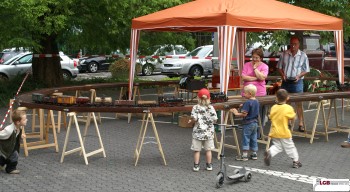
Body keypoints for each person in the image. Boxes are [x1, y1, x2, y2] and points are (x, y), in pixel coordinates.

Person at [277, 36, 310, 132]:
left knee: (299, 103)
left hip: (297, 82)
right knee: (286, 102)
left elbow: (306, 70)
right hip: (286, 81)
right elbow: (279, 67)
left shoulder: (303, 55)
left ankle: (301, 123)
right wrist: (282, 75)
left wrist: (299, 76)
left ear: (298, 45)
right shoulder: (284, 54)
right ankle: (287, 122)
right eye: (291, 44)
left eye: (295, 44)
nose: (293, 46)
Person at [264, 89, 302, 168]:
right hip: (284, 131)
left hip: (274, 131)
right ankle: (296, 161)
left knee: (278, 146)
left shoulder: (273, 107)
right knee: (290, 147)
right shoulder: (288, 108)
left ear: (276, 97)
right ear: (287, 98)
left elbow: (270, 116)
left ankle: (270, 152)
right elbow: (293, 117)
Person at [189, 88, 218, 171]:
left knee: (197, 150)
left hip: (197, 132)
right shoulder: (211, 108)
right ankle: (209, 165)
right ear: (209, 98)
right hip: (208, 133)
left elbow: (194, 118)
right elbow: (215, 119)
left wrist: (191, 120)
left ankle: (196, 166)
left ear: (198, 98)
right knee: (208, 150)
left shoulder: (195, 107)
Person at [230, 84, 260, 161]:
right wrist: (243, 106)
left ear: (249, 93)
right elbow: (252, 109)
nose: (243, 94)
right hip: (255, 123)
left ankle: (244, 155)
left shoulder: (247, 102)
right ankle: (254, 154)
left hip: (248, 123)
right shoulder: (256, 101)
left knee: (245, 138)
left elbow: (244, 114)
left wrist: (236, 113)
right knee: (253, 138)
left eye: (245, 93)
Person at [0, 109, 27, 174]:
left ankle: (4, 166)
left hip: (12, 147)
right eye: (24, 119)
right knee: (11, 155)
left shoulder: (19, 127)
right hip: (6, 147)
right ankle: (9, 168)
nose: (26, 120)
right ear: (18, 122)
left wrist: (20, 136)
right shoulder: (9, 130)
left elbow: (15, 134)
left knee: (10, 156)